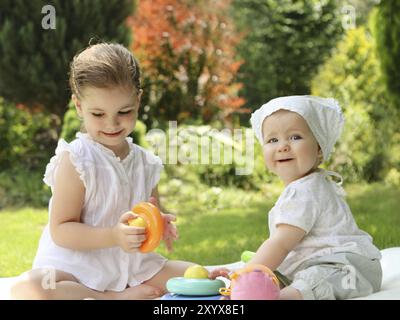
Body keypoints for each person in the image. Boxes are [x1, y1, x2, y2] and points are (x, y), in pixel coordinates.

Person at [11, 42, 194, 300]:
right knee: (31, 288)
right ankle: (110, 298)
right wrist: (113, 236)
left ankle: (125, 290)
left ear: (138, 101)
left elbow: (149, 210)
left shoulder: (145, 162)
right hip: (77, 269)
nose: (112, 123)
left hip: (130, 267)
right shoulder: (76, 160)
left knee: (194, 275)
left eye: (125, 111)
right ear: (78, 106)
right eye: (98, 113)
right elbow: (61, 230)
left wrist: (159, 223)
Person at [211, 95, 382, 300]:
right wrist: (246, 277)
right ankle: (254, 292)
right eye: (273, 140)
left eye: (295, 137)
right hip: (320, 263)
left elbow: (280, 244)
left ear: (319, 148)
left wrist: (245, 275)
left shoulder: (305, 190)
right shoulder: (305, 186)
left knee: (314, 279)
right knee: (278, 275)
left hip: (348, 268)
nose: (283, 146)